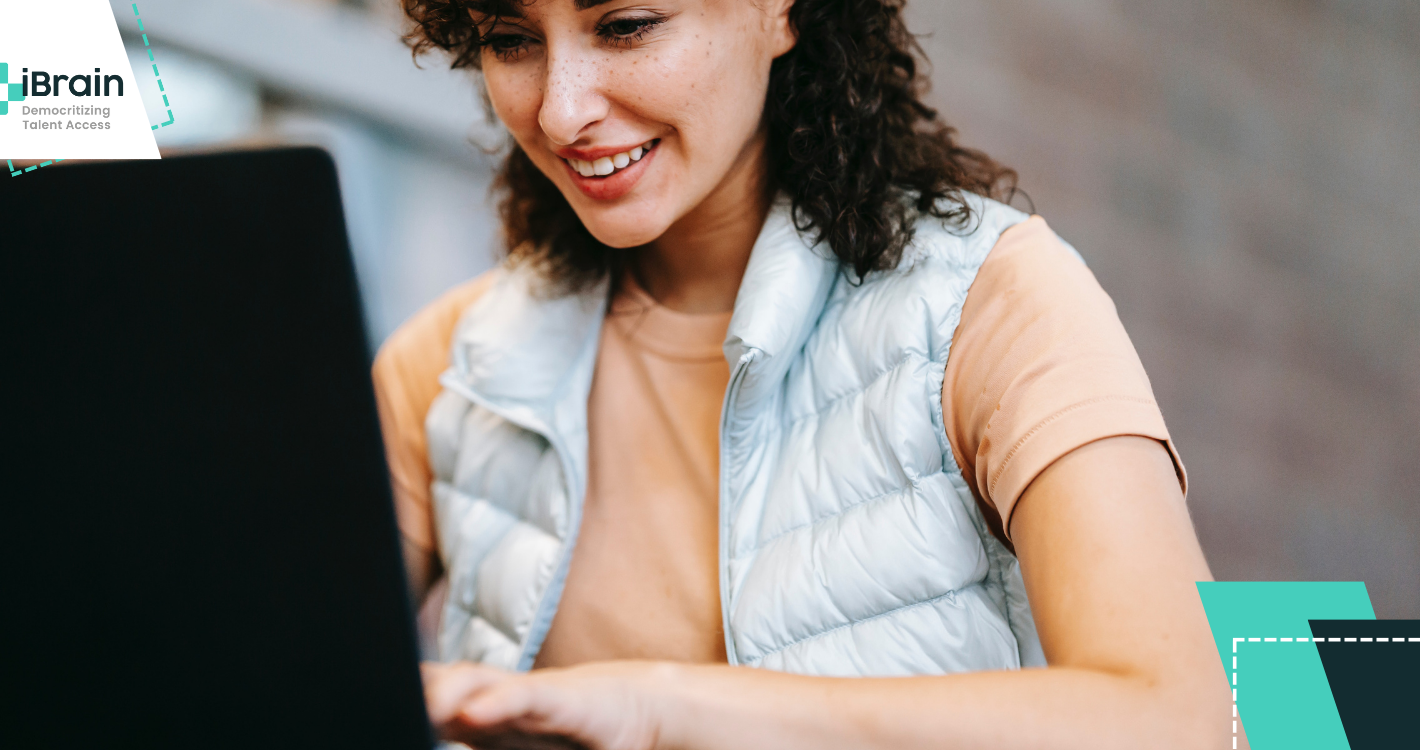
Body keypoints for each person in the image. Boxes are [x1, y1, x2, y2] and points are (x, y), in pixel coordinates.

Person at [373, 0, 1233, 747]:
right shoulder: (447, 366)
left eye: (628, 26)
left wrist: (660, 711)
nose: (561, 112)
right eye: (509, 39)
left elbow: (1185, 721)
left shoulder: (989, 303)